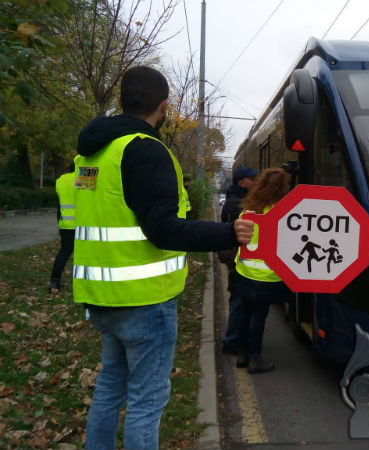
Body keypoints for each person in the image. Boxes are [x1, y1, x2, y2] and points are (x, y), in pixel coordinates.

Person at [72, 66, 255, 450]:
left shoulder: (96, 151)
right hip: (143, 299)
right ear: (165, 106)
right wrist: (228, 233)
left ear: (120, 102)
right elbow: (163, 229)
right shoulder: (144, 149)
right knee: (145, 401)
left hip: (101, 296)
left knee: (109, 387)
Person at [229, 167, 293, 373]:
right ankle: (255, 359)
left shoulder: (249, 209)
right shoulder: (283, 213)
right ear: (281, 188)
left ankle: (242, 354)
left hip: (243, 272)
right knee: (258, 316)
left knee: (245, 314)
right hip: (265, 276)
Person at [219, 165, 259, 356]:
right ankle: (232, 342)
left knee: (239, 300)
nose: (255, 182)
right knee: (238, 301)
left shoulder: (234, 200)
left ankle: (235, 339)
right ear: (242, 182)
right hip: (237, 259)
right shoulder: (239, 204)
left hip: (235, 258)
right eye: (252, 179)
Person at [49, 164, 76, 293]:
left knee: (64, 253)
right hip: (85, 223)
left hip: (66, 224)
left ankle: (55, 281)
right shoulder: (85, 177)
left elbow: (59, 206)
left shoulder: (61, 181)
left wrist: (59, 223)